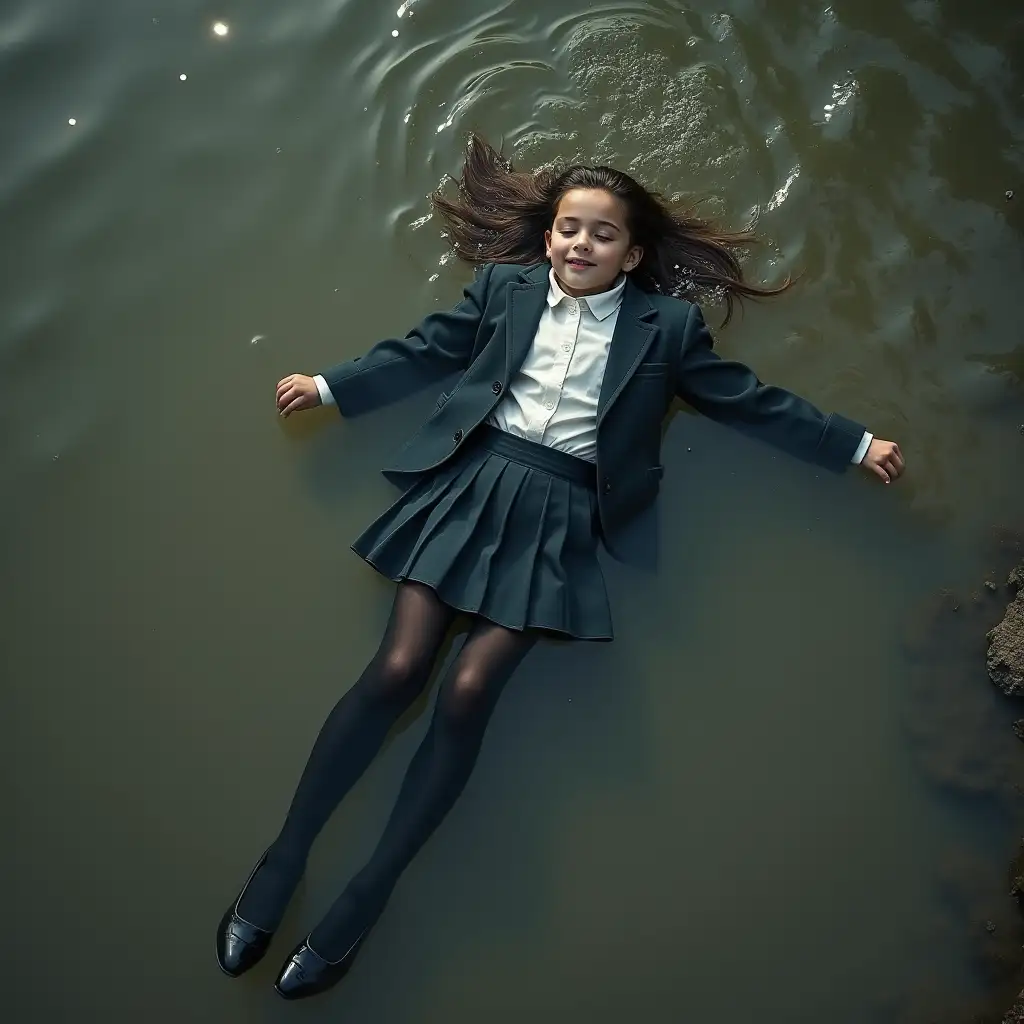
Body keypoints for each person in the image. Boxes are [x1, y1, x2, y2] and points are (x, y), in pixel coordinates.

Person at [215, 135, 905, 1000]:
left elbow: (748, 402)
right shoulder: (503, 291)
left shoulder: (671, 329)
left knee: (467, 694)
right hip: (470, 486)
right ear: (548, 238)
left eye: (603, 234)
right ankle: (285, 857)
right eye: (569, 229)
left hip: (565, 510)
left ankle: (370, 888)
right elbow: (428, 348)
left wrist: (851, 443)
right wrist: (330, 385)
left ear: (635, 253)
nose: (581, 244)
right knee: (397, 669)